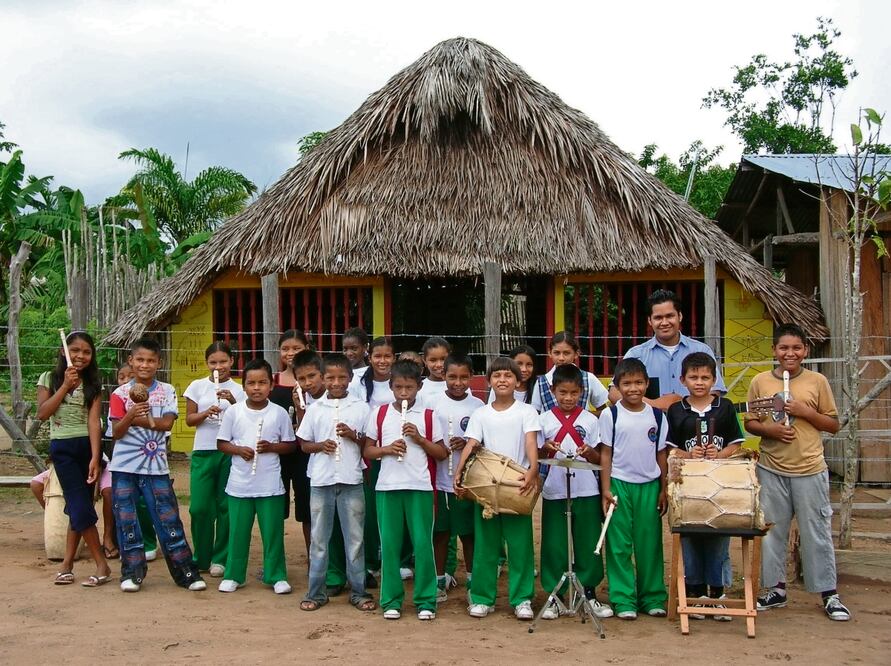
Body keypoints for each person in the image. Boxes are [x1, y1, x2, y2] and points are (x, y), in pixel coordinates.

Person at [744, 324, 850, 621]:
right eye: (783, 348)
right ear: (774, 350)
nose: (789, 353)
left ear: (805, 350)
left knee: (816, 531)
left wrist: (805, 412)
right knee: (771, 531)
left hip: (809, 468)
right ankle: (775, 589)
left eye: (796, 348)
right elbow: (750, 423)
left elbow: (832, 424)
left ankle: (829, 593)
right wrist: (770, 430)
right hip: (771, 467)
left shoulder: (817, 381)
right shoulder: (760, 382)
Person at [109, 337, 205, 592]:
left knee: (168, 519)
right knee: (126, 520)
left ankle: (186, 573)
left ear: (159, 363)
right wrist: (131, 414)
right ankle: (132, 573)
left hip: (156, 467)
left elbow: (166, 424)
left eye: (151, 360)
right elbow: (116, 432)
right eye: (140, 359)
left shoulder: (167, 390)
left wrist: (132, 419)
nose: (145, 365)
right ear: (131, 361)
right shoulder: (119, 394)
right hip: (124, 467)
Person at [455, 357, 541, 621]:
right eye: (497, 376)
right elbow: (471, 444)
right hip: (486, 486)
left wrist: (533, 470)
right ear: (489, 381)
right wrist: (459, 472)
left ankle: (522, 599)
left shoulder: (526, 412)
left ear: (518, 380)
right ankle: (482, 598)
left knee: (520, 547)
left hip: (517, 484)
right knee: (485, 546)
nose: (502, 380)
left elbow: (530, 443)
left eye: (508, 375)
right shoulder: (481, 413)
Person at [363, 360, 447, 620]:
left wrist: (419, 438)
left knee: (423, 544)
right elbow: (367, 451)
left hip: (419, 487)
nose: (403, 393)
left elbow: (442, 453)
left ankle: (425, 600)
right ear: (390, 386)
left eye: (409, 388)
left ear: (418, 387)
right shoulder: (379, 413)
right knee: (389, 545)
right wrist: (387, 449)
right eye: (398, 387)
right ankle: (391, 600)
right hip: (388, 487)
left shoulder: (430, 416)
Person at [665, 352, 744, 621]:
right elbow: (672, 451)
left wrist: (718, 455)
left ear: (714, 379)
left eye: (705, 377)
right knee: (690, 538)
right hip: (688, 485)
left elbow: (736, 443)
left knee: (719, 537)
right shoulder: (677, 410)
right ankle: (695, 593)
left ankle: (717, 594)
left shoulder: (725, 407)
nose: (699, 382)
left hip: (720, 485)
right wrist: (690, 456)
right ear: (682, 380)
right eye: (694, 377)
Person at [296, 353, 375, 612]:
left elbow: (369, 443)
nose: (336, 382)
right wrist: (321, 446)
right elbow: (304, 444)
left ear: (351, 379)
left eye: (342, 377)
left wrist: (353, 435)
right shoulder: (315, 409)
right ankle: (315, 592)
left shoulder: (361, 408)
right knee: (319, 540)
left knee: (355, 539)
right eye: (330, 377)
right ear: (323, 378)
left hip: (352, 479)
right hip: (321, 480)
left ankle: (359, 591)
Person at [36, 331, 111, 587]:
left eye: (86, 352)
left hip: (86, 448)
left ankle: (67, 564)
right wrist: (66, 386)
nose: (80, 356)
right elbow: (43, 414)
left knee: (77, 508)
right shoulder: (49, 378)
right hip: (62, 448)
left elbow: (93, 421)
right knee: (80, 505)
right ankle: (102, 563)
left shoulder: (93, 383)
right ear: (63, 352)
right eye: (75, 350)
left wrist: (94, 456)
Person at [216, 358, 296, 595]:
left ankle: (276, 575)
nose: (257, 388)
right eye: (251, 383)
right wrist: (239, 450)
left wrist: (272, 447)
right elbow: (222, 443)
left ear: (271, 385)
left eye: (262, 382)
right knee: (238, 532)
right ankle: (234, 574)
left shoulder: (279, 413)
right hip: (240, 484)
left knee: (272, 533)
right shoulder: (233, 412)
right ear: (243, 386)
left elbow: (290, 445)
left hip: (270, 483)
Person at [538, 364, 613, 619]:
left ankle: (588, 592)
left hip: (586, 488)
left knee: (588, 541)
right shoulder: (544, 419)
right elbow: (538, 454)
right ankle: (555, 596)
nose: (568, 398)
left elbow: (599, 455)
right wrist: (547, 448)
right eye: (562, 393)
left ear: (582, 392)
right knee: (554, 543)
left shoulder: (591, 420)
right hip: (555, 489)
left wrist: (587, 452)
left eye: (573, 393)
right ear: (553, 391)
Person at [599, 358, 668, 619]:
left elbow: (661, 454)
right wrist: (605, 489)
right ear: (617, 386)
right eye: (626, 383)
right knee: (619, 544)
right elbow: (606, 454)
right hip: (619, 484)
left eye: (639, 382)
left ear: (647, 384)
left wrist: (664, 488)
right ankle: (623, 598)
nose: (633, 388)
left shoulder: (658, 416)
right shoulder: (611, 414)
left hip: (649, 486)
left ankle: (652, 597)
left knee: (649, 543)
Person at [183, 342, 245, 577]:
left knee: (225, 506)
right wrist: (205, 412)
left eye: (223, 362)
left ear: (232, 361)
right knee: (199, 508)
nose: (218, 367)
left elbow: (246, 417)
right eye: (213, 363)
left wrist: (233, 402)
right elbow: (189, 420)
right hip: (203, 451)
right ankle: (201, 556)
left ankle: (221, 558)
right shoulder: (196, 386)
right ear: (207, 363)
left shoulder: (239, 389)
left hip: (228, 450)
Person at [609, 289, 726, 411]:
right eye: (658, 318)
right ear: (650, 320)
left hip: (691, 423)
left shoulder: (701, 350)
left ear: (679, 316)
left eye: (670, 316)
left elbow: (715, 391)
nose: (664, 323)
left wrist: (685, 409)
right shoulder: (637, 354)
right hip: (651, 425)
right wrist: (656, 405)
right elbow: (614, 393)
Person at [429, 354, 483, 602]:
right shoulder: (432, 404)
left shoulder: (478, 407)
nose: (458, 382)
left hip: (467, 483)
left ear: (472, 377)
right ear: (443, 376)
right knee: (440, 533)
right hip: (439, 480)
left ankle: (474, 582)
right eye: (452, 377)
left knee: (469, 534)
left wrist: (469, 444)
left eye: (463, 377)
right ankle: (439, 580)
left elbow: (486, 444)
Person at [270, 331, 312, 554]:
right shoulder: (272, 382)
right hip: (277, 453)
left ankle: (313, 560)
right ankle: (275, 561)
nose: (290, 353)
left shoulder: (313, 382)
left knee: (308, 508)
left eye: (296, 348)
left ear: (307, 347)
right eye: (285, 348)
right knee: (276, 508)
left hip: (306, 453)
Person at [290, 349, 326, 555]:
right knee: (309, 514)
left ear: (322, 373)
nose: (308, 383)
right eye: (301, 379)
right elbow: (304, 436)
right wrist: (300, 408)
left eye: (312, 376)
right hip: (310, 465)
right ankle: (314, 560)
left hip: (334, 467)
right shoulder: (302, 399)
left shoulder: (333, 395)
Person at [531, 332, 609, 414]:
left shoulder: (588, 378)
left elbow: (603, 410)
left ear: (576, 354)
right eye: (557, 353)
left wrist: (585, 417)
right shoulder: (541, 382)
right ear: (550, 353)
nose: (561, 358)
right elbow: (535, 413)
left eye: (566, 353)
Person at [417, 337, 451, 404]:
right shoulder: (420, 389)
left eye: (443, 359)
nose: (439, 365)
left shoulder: (458, 386)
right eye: (433, 360)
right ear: (424, 360)